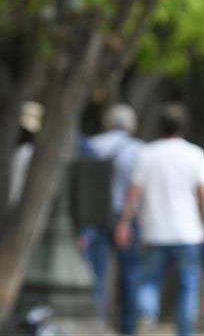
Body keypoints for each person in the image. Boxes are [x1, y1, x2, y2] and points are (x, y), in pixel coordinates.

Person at [115, 104, 204, 336]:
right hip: (188, 232)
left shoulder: (147, 154)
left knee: (149, 281)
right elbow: (202, 195)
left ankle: (147, 316)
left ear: (160, 126)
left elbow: (134, 193)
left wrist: (124, 222)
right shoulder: (195, 154)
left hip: (154, 231)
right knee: (189, 285)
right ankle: (185, 331)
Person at [80, 104, 144, 333]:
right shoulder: (139, 149)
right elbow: (137, 189)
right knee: (130, 275)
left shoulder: (91, 145)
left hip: (94, 217)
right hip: (126, 217)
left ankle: (96, 323)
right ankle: (128, 327)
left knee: (96, 274)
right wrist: (128, 221)